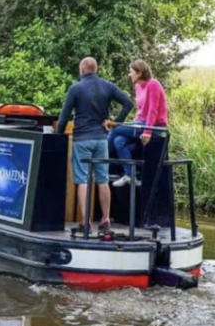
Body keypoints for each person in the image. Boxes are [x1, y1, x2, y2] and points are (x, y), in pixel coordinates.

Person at [57, 57, 134, 232]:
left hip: (82, 139)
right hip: (101, 139)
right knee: (103, 179)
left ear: (82, 70)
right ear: (95, 69)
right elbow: (128, 103)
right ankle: (106, 219)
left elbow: (64, 117)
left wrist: (58, 136)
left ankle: (86, 222)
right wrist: (114, 123)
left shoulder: (75, 88)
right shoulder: (107, 86)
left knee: (83, 179)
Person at [108, 59, 168, 188]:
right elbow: (141, 110)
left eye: (131, 72)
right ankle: (130, 176)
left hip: (154, 126)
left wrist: (147, 132)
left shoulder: (153, 84)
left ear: (139, 72)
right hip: (140, 122)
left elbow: (153, 110)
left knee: (116, 128)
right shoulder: (137, 86)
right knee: (119, 141)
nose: (130, 75)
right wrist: (134, 122)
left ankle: (102, 158)